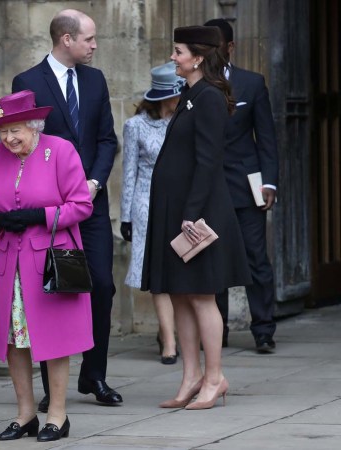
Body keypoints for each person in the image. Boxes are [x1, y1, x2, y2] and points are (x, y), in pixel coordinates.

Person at [12, 8, 122, 412]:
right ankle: (50, 387)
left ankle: (94, 375)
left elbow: (107, 140)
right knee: (55, 292)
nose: (94, 46)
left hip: (90, 204)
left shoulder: (95, 80)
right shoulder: (28, 82)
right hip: (51, 213)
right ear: (66, 40)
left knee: (103, 286)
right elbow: (22, 141)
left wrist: (93, 183)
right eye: (89, 39)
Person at [141, 25, 251, 410]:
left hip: (197, 210)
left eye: (178, 51)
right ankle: (190, 377)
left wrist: (191, 212)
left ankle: (216, 377)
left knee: (203, 296)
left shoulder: (207, 96)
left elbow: (208, 161)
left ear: (198, 58)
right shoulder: (190, 93)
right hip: (176, 209)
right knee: (180, 295)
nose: (173, 58)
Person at [0, 90, 94, 442]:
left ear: (33, 126)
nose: (8, 138)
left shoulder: (59, 150)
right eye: (2, 132)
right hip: (11, 261)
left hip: (49, 262)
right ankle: (26, 413)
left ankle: (57, 415)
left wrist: (40, 216)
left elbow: (81, 205)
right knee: (15, 339)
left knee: (53, 339)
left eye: (15, 130)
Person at [204, 18, 279, 353]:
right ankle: (216, 332)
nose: (211, 51)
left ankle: (263, 330)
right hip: (209, 189)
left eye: (216, 44)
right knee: (214, 260)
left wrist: (270, 183)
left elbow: (266, 139)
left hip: (247, 186)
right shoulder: (195, 84)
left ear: (230, 47)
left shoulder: (251, 83)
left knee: (255, 258)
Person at [120, 61, 184, 365]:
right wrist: (126, 217)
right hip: (147, 204)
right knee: (157, 275)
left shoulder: (187, 120)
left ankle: (178, 333)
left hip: (182, 204)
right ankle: (168, 341)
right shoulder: (136, 126)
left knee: (181, 273)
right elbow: (129, 172)